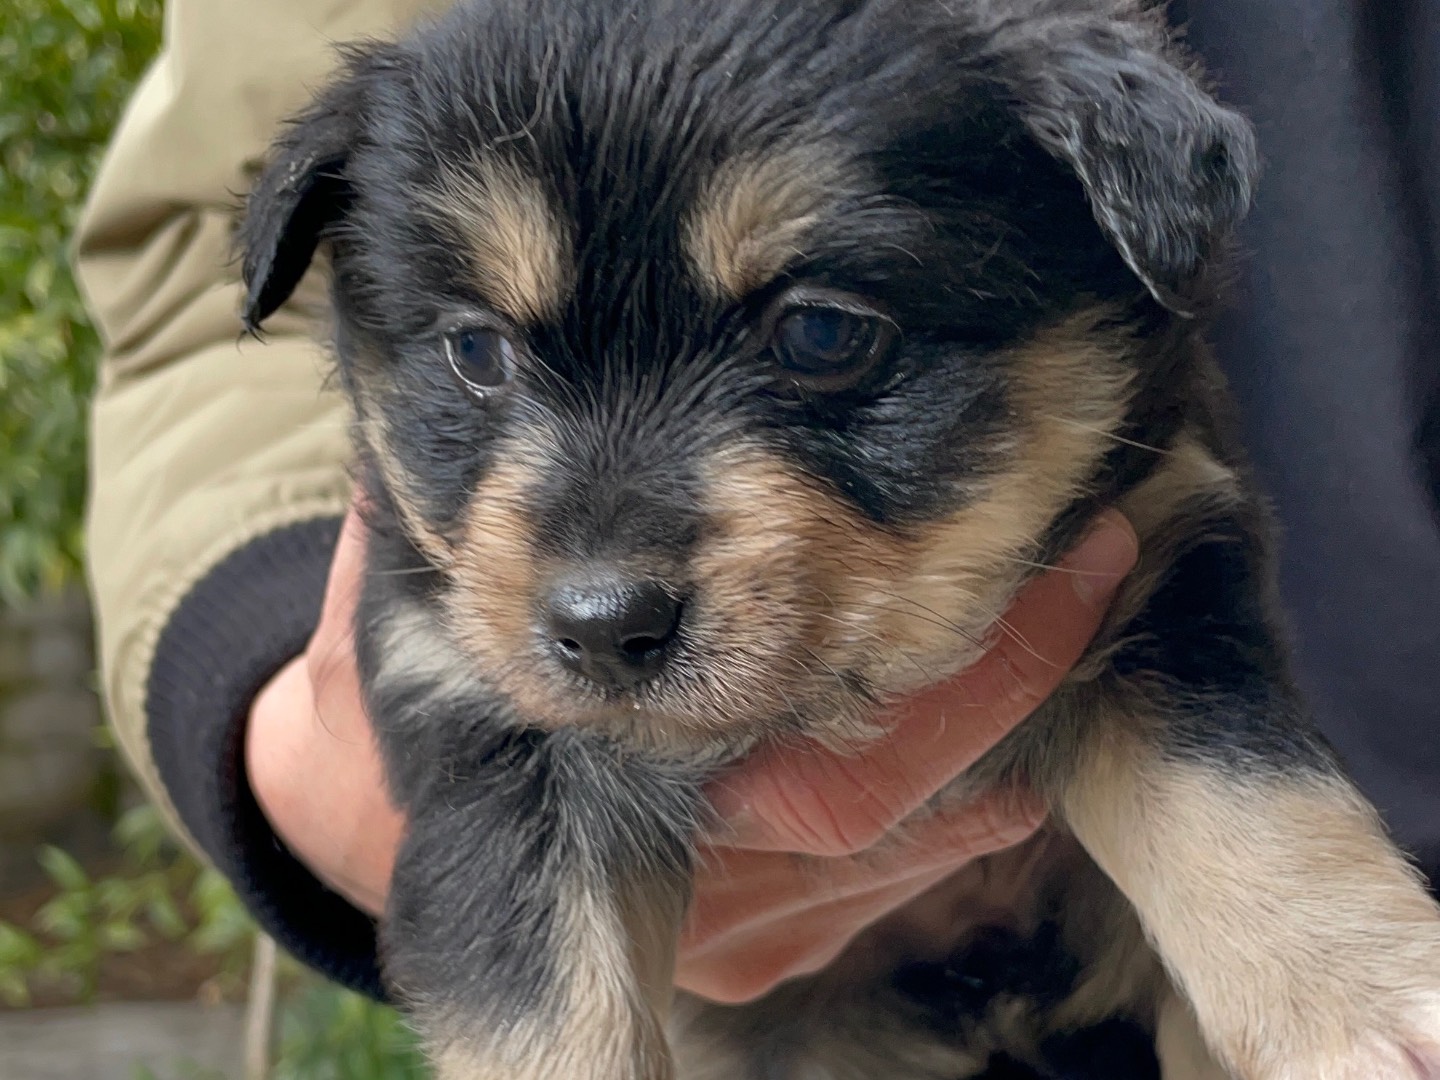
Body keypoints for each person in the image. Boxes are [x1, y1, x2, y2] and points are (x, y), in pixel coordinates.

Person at [74, 0, 1438, 1041]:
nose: (602, 576)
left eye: (824, 338)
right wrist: (279, 727)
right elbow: (200, 294)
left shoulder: (1036, 143)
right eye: (481, 357)